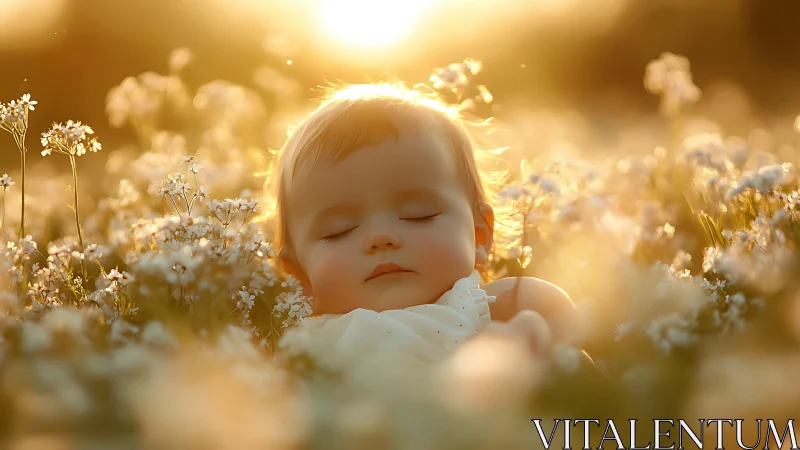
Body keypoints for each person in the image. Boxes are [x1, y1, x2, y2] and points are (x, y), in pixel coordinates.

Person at [271, 83, 591, 385]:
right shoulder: (306, 346)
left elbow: (578, 354)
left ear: (480, 235)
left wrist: (533, 338)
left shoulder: (494, 307)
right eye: (338, 231)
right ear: (300, 276)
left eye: (418, 215)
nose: (381, 238)